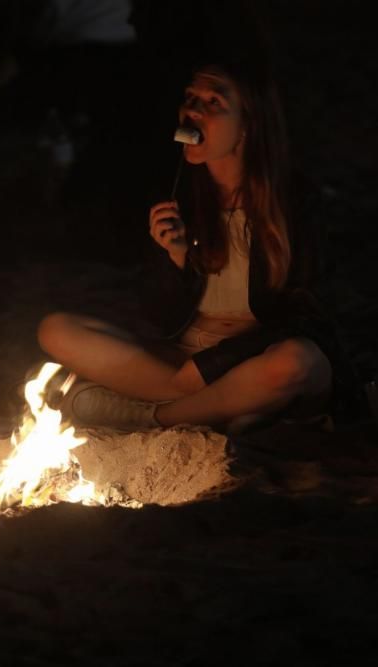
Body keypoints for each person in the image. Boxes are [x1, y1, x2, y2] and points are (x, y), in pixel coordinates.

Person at [37, 56, 352, 432]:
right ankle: (227, 411)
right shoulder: (180, 196)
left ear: (250, 123)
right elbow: (157, 317)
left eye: (213, 102)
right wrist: (176, 260)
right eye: (190, 97)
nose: (192, 110)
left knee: (298, 363)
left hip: (254, 359)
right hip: (182, 362)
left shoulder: (296, 203)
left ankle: (154, 416)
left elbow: (311, 320)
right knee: (55, 329)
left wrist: (214, 365)